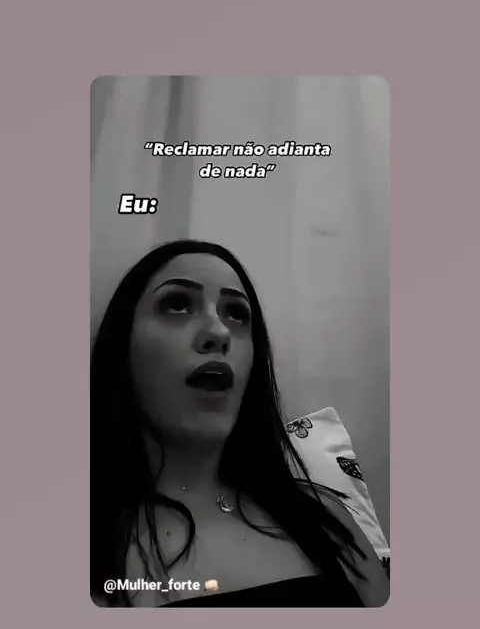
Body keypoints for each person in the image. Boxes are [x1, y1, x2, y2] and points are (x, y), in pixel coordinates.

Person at [91, 239, 389, 607]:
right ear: (122, 345)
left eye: (236, 314)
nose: (219, 332)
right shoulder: (95, 544)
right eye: (178, 304)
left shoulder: (326, 518)